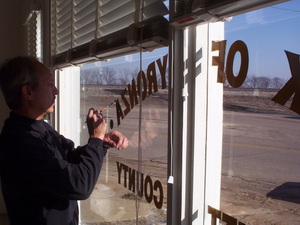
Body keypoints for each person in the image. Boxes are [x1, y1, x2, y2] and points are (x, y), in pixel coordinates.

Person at [0, 56, 128, 225]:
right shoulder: (20, 142)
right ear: (28, 92)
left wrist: (101, 142)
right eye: (50, 84)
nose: (56, 91)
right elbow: (80, 185)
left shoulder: (36, 127)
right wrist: (95, 139)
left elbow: (68, 159)